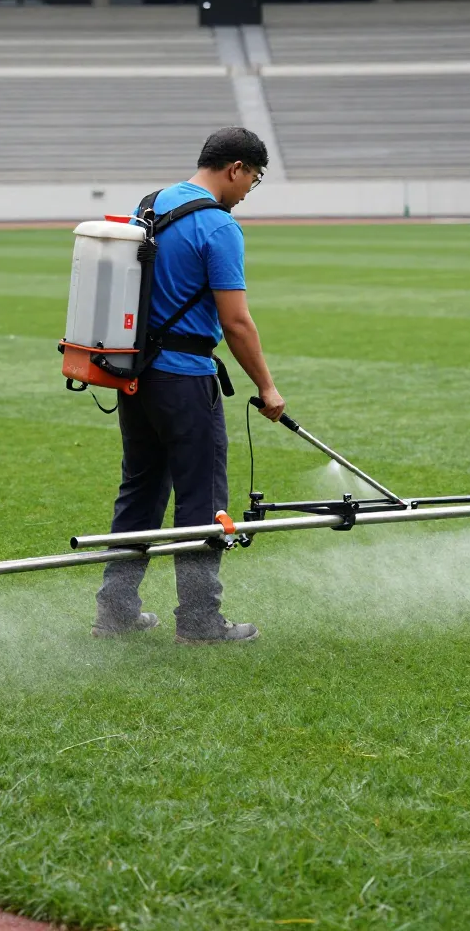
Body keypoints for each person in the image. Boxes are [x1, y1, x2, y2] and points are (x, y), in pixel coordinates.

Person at [92, 126, 285, 645]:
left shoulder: (150, 205)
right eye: (253, 179)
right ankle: (200, 621)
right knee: (202, 499)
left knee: (140, 492)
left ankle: (115, 611)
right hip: (185, 380)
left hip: (134, 375)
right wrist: (267, 388)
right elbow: (236, 322)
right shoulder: (219, 226)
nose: (248, 191)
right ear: (235, 168)